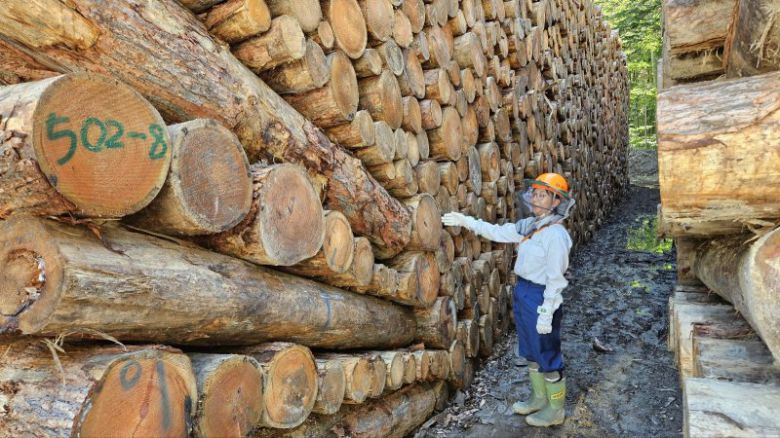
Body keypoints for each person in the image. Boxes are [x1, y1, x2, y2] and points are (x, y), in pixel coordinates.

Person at [441, 173, 574, 427]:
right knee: (531, 350)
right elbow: (499, 232)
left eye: (543, 195)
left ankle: (556, 409)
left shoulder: (556, 235)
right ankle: (539, 398)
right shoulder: (530, 227)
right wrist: (466, 221)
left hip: (542, 296)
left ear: (557, 201)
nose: (536, 199)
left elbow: (556, 279)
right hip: (524, 291)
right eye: (535, 193)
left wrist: (547, 310)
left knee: (546, 352)